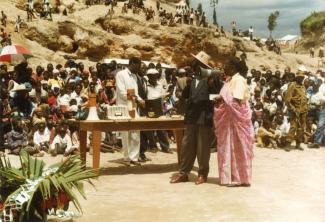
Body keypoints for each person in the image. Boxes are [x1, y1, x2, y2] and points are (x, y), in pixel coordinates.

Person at [170, 51, 223, 185]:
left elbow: (217, 95)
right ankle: (183, 173)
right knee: (187, 146)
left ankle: (202, 174)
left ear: (202, 65)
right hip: (191, 117)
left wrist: (212, 84)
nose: (193, 64)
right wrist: (187, 84)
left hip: (204, 118)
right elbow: (186, 96)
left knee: (202, 148)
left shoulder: (211, 78)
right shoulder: (192, 79)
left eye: (196, 62)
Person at [214, 56, 254, 187]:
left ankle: (237, 178)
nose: (224, 68)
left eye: (226, 65)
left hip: (236, 121)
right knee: (230, 148)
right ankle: (230, 177)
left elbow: (236, 102)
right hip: (230, 121)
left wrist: (222, 98)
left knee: (236, 148)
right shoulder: (230, 80)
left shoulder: (238, 80)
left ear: (233, 67)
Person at [115, 57, 145, 165]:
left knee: (136, 132)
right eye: (139, 65)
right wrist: (137, 99)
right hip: (123, 107)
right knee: (125, 133)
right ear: (132, 63)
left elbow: (135, 93)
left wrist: (141, 100)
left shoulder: (135, 77)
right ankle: (127, 158)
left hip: (132, 107)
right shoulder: (121, 74)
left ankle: (134, 158)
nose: (139, 68)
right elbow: (122, 93)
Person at [284, 70, 308, 151]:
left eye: (302, 77)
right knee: (293, 127)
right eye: (300, 77)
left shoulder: (303, 86)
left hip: (303, 110)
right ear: (296, 77)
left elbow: (304, 98)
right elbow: (287, 100)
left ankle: (298, 144)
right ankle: (288, 143)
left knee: (301, 128)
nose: (301, 79)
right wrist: (293, 109)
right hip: (295, 110)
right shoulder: (292, 85)